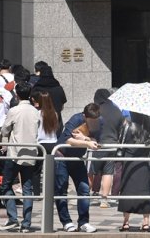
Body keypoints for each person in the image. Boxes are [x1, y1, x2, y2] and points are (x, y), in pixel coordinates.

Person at [0, 82, 40, 233]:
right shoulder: (36, 112)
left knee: (6, 185)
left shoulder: (14, 110)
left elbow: (4, 129)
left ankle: (12, 219)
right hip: (31, 153)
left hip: (15, 154)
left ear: (17, 94)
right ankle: (26, 224)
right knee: (27, 188)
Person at [55, 103, 101, 233]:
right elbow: (68, 140)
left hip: (78, 159)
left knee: (84, 189)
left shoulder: (99, 121)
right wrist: (86, 142)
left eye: (96, 120)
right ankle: (66, 222)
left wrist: (85, 138)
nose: (94, 123)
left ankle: (83, 222)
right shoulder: (76, 119)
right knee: (61, 189)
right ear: (84, 116)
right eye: (91, 120)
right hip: (61, 156)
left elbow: (96, 139)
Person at [117, 113, 150, 232]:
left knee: (127, 189)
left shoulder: (127, 125)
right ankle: (146, 222)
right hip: (143, 162)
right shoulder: (148, 127)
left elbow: (121, 143)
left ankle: (126, 222)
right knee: (144, 190)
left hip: (129, 161)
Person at [92, 89, 125, 208]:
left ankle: (87, 195)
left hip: (96, 145)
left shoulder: (95, 110)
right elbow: (121, 128)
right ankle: (104, 200)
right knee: (108, 172)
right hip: (112, 145)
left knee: (93, 171)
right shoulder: (117, 110)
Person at [30, 90, 61, 195]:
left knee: (36, 170)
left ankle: (37, 193)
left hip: (40, 144)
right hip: (53, 143)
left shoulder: (37, 113)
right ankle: (51, 192)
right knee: (51, 170)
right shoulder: (55, 114)